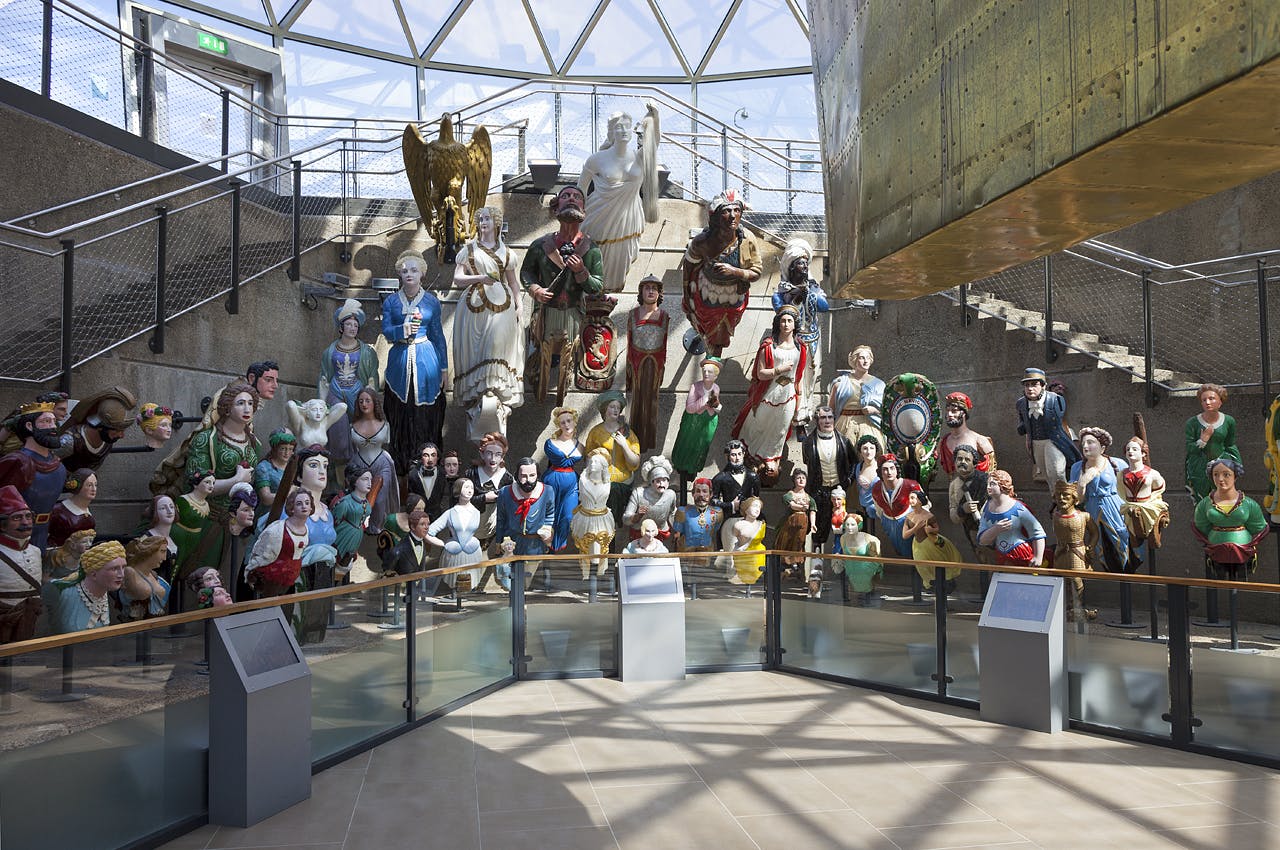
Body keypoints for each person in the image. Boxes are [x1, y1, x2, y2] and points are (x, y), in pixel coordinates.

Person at [521, 186, 605, 401]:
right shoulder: (541, 245)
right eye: (565, 196)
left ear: (583, 210)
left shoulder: (591, 249)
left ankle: (563, 386)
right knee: (542, 355)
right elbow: (527, 271)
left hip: (573, 315)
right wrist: (535, 289)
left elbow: (597, 285)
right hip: (545, 314)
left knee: (569, 357)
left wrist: (582, 272)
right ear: (556, 207)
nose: (571, 199)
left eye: (577, 197)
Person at [453, 206, 525, 442]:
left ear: (496, 223)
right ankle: (479, 392)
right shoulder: (469, 250)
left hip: (502, 306)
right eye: (480, 219)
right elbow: (458, 278)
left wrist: (519, 303)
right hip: (473, 308)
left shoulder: (507, 253)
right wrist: (480, 278)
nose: (483, 222)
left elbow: (513, 282)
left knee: (496, 343)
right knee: (476, 350)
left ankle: (494, 387)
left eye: (487, 219)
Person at [577, 105, 660, 293]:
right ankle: (594, 294)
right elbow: (580, 189)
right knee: (595, 260)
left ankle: (608, 294)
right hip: (599, 217)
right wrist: (575, 215)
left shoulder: (639, 157)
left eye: (627, 126)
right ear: (611, 131)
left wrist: (655, 119)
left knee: (619, 264)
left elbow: (654, 144)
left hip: (628, 219)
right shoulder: (596, 159)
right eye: (619, 127)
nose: (623, 130)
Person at [382, 249, 448, 474]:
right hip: (400, 360)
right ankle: (400, 466)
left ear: (422, 274)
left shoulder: (431, 302)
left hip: (426, 358)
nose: (409, 274)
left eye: (414, 270)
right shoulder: (391, 301)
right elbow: (387, 331)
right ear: (399, 275)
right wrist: (402, 329)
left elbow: (438, 336)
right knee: (400, 412)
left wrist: (444, 368)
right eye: (404, 270)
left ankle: (428, 464)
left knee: (425, 415)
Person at [680, 190, 761, 356]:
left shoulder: (747, 239)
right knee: (708, 333)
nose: (732, 216)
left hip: (734, 297)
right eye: (726, 211)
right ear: (716, 216)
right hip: (707, 294)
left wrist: (735, 272)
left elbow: (756, 272)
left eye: (736, 210)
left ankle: (713, 366)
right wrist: (687, 297)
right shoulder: (702, 242)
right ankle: (710, 362)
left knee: (723, 337)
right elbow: (688, 269)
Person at [733, 305, 806, 485]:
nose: (786, 324)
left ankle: (770, 462)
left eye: (789, 321)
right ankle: (752, 459)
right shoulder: (768, 346)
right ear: (777, 323)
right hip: (769, 393)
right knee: (758, 426)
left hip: (788, 395)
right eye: (783, 320)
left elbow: (799, 376)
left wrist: (800, 403)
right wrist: (778, 370)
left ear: (795, 324)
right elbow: (760, 373)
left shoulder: (800, 348)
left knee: (779, 431)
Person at [319, 298, 381, 470]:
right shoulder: (329, 352)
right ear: (341, 327)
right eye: (349, 324)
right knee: (337, 433)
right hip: (336, 392)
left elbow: (371, 378)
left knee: (361, 433)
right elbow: (324, 378)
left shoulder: (367, 352)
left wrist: (369, 397)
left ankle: (362, 470)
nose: (353, 328)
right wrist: (323, 402)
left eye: (355, 325)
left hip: (358, 393)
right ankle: (337, 473)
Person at [772, 238, 829, 426]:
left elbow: (824, 307)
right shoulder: (781, 292)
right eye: (799, 264)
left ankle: (805, 414)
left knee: (811, 379)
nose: (804, 267)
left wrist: (808, 293)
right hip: (793, 343)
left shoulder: (813, 288)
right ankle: (795, 415)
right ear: (791, 268)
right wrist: (793, 294)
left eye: (806, 263)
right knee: (794, 379)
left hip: (813, 340)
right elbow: (780, 309)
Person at [0, 401, 68, 551]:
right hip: (14, 535)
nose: (53, 426)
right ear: (30, 426)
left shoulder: (59, 467)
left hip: (43, 533)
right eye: (46, 421)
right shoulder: (17, 462)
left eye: (54, 422)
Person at [1192, 458, 1270, 581]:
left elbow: (1258, 526)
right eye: (1216, 475)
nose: (1220, 479)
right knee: (1218, 580)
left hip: (1243, 547)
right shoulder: (1205, 504)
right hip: (1215, 548)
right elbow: (1201, 525)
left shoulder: (1249, 504)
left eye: (1226, 474)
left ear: (1235, 476)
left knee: (1242, 581)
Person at [1069, 427, 1130, 573]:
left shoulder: (1117, 464)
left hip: (1115, 507)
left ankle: (1126, 568)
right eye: (1083, 443)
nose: (1085, 446)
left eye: (1090, 442)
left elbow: (1130, 487)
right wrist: (1083, 483)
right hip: (1093, 508)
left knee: (1121, 538)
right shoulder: (1078, 468)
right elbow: (1076, 500)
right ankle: (1109, 568)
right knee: (1099, 543)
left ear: (1102, 447)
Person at [245, 488, 311, 618]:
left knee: (282, 608)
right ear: (291, 508)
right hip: (273, 574)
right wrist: (252, 569)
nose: (304, 506)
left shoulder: (306, 528)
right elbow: (262, 551)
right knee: (268, 607)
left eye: (307, 503)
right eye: (299, 503)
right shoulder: (277, 530)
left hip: (291, 574)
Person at [493, 457, 556, 590]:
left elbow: (550, 513)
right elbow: (501, 519)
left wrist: (547, 530)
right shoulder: (505, 493)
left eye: (532, 475)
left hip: (535, 544)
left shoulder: (548, 491)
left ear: (538, 475)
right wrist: (499, 542)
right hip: (512, 543)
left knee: (531, 581)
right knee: (512, 581)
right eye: (523, 476)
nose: (528, 480)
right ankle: (515, 603)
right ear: (516, 476)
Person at [1015, 368, 1080, 495]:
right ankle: (1055, 500)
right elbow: (1022, 421)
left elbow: (1059, 418)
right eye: (1027, 385)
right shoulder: (1021, 403)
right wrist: (1022, 428)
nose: (1030, 388)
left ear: (1043, 385)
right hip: (1036, 443)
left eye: (1034, 384)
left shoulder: (1055, 399)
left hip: (1053, 440)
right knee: (1045, 474)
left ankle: (1066, 499)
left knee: (1056, 471)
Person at [624, 274, 670, 452]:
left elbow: (664, 345)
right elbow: (629, 342)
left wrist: (663, 368)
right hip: (636, 365)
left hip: (655, 366)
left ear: (659, 293)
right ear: (641, 291)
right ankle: (633, 438)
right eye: (647, 287)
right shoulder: (633, 314)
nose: (651, 291)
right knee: (635, 402)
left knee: (651, 401)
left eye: (654, 288)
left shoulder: (664, 316)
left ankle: (648, 441)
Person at [584, 390, 640, 532]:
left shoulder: (628, 433)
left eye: (617, 407)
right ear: (604, 409)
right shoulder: (595, 432)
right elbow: (588, 459)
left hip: (623, 483)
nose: (615, 410)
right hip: (602, 485)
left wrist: (625, 446)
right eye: (612, 406)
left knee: (618, 520)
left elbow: (634, 464)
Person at [800, 405, 856, 549]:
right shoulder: (808, 443)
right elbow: (808, 462)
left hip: (839, 490)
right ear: (817, 420)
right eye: (823, 418)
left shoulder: (844, 441)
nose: (827, 421)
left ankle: (842, 562)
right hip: (819, 491)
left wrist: (848, 480)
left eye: (830, 417)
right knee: (818, 527)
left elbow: (854, 462)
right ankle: (816, 564)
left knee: (843, 526)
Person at [346, 387, 400, 533]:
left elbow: (387, 443)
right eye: (361, 401)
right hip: (359, 464)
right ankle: (358, 525)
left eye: (367, 400)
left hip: (381, 463)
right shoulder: (352, 426)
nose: (364, 404)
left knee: (380, 498)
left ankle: (376, 526)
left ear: (374, 403)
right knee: (359, 496)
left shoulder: (385, 425)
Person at [45, 540, 127, 633]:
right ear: (93, 574)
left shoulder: (103, 589)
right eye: (114, 569)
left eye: (123, 567)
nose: (122, 574)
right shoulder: (59, 592)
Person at [57, 386, 138, 472]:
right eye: (117, 430)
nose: (122, 435)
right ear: (101, 427)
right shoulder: (70, 441)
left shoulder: (107, 442)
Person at [671, 357, 723, 488]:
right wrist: (705, 399)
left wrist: (716, 406)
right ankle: (682, 465)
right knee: (687, 442)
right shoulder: (695, 387)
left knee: (700, 446)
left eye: (710, 372)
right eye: (704, 371)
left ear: (715, 375)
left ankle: (693, 468)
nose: (706, 374)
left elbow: (715, 405)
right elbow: (690, 408)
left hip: (707, 422)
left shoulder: (716, 388)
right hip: (693, 422)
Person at [977, 470, 1046, 567]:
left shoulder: (1018, 509)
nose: (988, 487)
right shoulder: (986, 508)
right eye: (988, 484)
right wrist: (995, 529)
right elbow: (982, 540)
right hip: (1000, 554)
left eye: (992, 484)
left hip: (1020, 553)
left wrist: (1038, 557)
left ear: (1003, 485)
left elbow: (1037, 532)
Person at [1184, 383, 1240, 502]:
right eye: (1204, 400)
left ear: (1220, 401)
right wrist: (1203, 440)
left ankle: (1221, 519)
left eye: (1211, 398)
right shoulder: (1192, 423)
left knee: (1223, 496)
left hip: (1221, 463)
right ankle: (1202, 518)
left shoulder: (1229, 421)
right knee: (1202, 498)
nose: (1207, 402)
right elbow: (1189, 448)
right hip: (1199, 465)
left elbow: (1230, 444)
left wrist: (1237, 464)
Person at [0, 486, 42, 644]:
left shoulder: (36, 551)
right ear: (3, 524)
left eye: (28, 516)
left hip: (29, 618)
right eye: (17, 518)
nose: (25, 522)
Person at [426, 480, 484, 592]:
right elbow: (429, 532)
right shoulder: (450, 513)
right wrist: (443, 544)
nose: (469, 490)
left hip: (472, 553)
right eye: (466, 487)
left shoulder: (476, 512)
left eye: (471, 487)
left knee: (470, 580)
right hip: (454, 554)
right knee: (454, 581)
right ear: (458, 489)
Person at [1052, 481, 1099, 621]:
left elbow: (1095, 533)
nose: (1061, 499)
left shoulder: (1084, 516)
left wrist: (1091, 546)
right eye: (1059, 495)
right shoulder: (1055, 515)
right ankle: (1064, 609)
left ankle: (1077, 608)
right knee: (1060, 580)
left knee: (1077, 580)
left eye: (1065, 495)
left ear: (1074, 498)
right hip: (1060, 552)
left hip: (1077, 552)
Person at [1121, 433, 1169, 568]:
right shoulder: (1122, 474)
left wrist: (1150, 503)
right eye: (1128, 449)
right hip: (1130, 509)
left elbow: (1159, 489)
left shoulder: (1152, 474)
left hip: (1148, 509)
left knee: (1152, 539)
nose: (1130, 452)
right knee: (1133, 540)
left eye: (1134, 449)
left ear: (1143, 454)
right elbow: (1120, 491)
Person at [828, 345, 885, 451]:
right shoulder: (840, 383)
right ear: (854, 360)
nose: (865, 361)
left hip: (869, 424)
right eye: (862, 358)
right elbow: (830, 410)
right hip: (845, 425)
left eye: (868, 358)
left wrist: (874, 410)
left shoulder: (879, 384)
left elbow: (887, 409)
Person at [466, 432, 514, 558]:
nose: (493, 459)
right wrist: (484, 498)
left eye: (498, 454)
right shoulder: (471, 474)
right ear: (482, 454)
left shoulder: (507, 478)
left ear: (503, 456)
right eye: (489, 453)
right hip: (470, 527)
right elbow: (458, 501)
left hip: (493, 529)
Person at [871, 454, 928, 559]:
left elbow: (925, 505)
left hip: (908, 522)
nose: (889, 472)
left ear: (897, 470)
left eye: (892, 468)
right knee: (899, 550)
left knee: (913, 551)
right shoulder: (876, 489)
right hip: (889, 523)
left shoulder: (910, 485)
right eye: (885, 469)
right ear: (880, 472)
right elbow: (878, 508)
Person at [571, 449, 616, 580]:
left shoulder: (607, 481)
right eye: (592, 461)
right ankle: (588, 577)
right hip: (586, 518)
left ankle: (598, 577)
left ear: (603, 465)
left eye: (597, 461)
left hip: (603, 518)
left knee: (601, 549)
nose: (593, 463)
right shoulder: (583, 480)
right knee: (586, 549)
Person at [543, 408, 583, 553]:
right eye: (562, 422)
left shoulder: (580, 446)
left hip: (571, 484)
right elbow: (557, 459)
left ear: (574, 421)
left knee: (567, 516)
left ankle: (557, 546)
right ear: (558, 425)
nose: (566, 425)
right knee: (549, 515)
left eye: (569, 421)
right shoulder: (550, 443)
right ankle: (547, 546)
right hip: (552, 481)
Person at [946, 444, 990, 559]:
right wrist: (962, 509)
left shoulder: (986, 480)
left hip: (990, 529)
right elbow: (953, 513)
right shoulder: (954, 485)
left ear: (974, 463)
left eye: (967, 459)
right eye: (959, 459)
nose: (962, 462)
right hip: (970, 530)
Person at [938, 392, 996, 477]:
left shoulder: (979, 440)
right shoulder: (943, 442)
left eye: (954, 411)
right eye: (947, 411)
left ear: (964, 413)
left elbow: (991, 471)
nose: (949, 414)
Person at [622, 456, 677, 542]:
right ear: (651, 482)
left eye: (664, 480)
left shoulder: (671, 495)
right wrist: (637, 516)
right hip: (640, 534)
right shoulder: (639, 494)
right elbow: (625, 518)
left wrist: (678, 530)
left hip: (661, 533)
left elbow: (672, 514)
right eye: (658, 481)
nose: (661, 484)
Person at [775, 467, 816, 581]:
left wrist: (813, 524)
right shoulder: (790, 494)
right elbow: (791, 505)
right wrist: (801, 507)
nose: (801, 480)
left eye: (803, 478)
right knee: (786, 541)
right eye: (798, 478)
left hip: (803, 524)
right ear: (794, 480)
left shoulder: (809, 498)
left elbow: (812, 511)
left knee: (799, 543)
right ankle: (785, 564)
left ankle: (796, 564)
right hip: (790, 523)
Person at [907, 509, 962, 594]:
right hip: (931, 579)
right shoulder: (915, 541)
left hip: (944, 577)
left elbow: (948, 549)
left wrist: (953, 570)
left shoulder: (935, 539)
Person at [671, 478, 723, 563]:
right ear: (693, 494)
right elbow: (677, 534)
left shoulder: (718, 513)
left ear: (711, 494)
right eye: (698, 491)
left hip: (706, 553)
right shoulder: (683, 512)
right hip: (687, 554)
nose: (701, 495)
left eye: (705, 491)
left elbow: (715, 529)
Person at [119, 535, 171, 621]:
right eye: (162, 551)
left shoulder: (153, 574)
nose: (164, 558)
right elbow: (142, 592)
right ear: (150, 551)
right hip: (135, 626)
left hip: (156, 624)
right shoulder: (130, 572)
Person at [332, 468, 373, 576]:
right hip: (344, 535)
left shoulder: (366, 503)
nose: (369, 483)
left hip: (357, 536)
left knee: (348, 561)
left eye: (370, 479)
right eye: (365, 479)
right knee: (339, 562)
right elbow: (335, 521)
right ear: (355, 481)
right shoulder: (345, 502)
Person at [834, 513, 882, 606]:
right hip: (851, 566)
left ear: (859, 525)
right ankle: (847, 596)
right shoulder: (843, 538)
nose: (849, 527)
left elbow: (876, 558)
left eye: (853, 525)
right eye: (847, 525)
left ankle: (866, 596)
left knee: (864, 569)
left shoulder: (870, 539)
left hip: (866, 567)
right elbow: (845, 554)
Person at [721, 496, 766, 585]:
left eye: (759, 507)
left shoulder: (761, 524)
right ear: (746, 509)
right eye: (754, 506)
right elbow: (735, 540)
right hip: (744, 557)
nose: (757, 509)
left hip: (759, 556)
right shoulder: (738, 525)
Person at [48, 467, 97, 548]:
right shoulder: (58, 511)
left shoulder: (88, 514)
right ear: (77, 486)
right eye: (89, 485)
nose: (94, 489)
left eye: (95, 485)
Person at [253, 429, 296, 520]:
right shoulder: (264, 468)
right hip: (269, 515)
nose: (287, 453)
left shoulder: (293, 465)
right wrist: (289, 493)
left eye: (290, 449)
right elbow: (266, 498)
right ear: (275, 448)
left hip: (290, 514)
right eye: (283, 449)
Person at [711, 439, 760, 517]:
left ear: (743, 454)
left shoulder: (753, 476)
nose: (737, 458)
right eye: (733, 455)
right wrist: (731, 505)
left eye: (739, 454)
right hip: (729, 517)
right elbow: (712, 501)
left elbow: (756, 498)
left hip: (749, 518)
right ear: (727, 456)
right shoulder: (720, 478)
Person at [407, 442, 448, 518]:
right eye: (426, 455)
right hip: (418, 516)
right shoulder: (413, 475)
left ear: (437, 457)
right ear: (420, 457)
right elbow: (410, 496)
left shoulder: (443, 474)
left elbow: (445, 496)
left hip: (437, 516)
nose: (430, 459)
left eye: (433, 455)